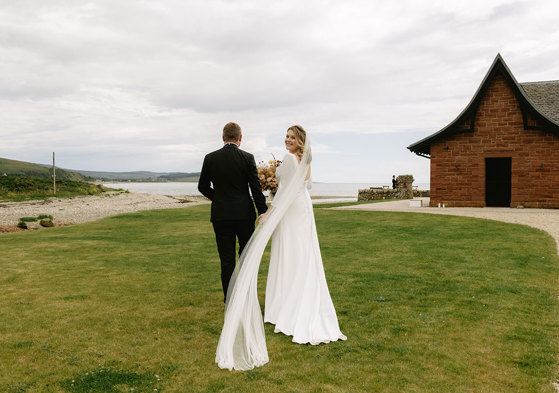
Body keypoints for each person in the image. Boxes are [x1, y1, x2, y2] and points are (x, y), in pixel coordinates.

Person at [215, 125, 346, 371]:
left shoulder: (288, 158)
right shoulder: (305, 160)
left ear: (300, 141)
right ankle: (295, 300)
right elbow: (303, 188)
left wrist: (267, 212)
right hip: (303, 209)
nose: (287, 140)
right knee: (302, 255)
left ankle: (284, 307)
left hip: (290, 210)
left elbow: (284, 190)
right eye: (286, 136)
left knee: (288, 255)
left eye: (292, 137)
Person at [198, 122, 268, 303]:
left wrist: (218, 198)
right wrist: (263, 211)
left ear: (223, 138)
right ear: (240, 138)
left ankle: (229, 299)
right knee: (245, 256)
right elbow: (255, 188)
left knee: (226, 259)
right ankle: (245, 297)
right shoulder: (247, 157)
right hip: (244, 214)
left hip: (221, 216)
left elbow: (202, 186)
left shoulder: (210, 158)